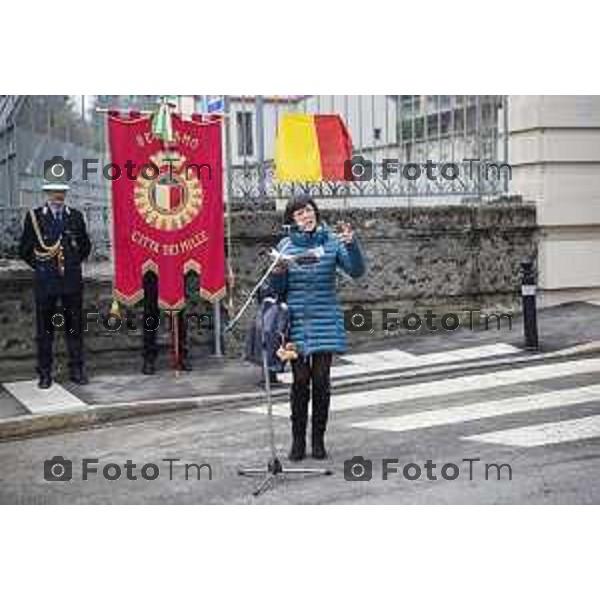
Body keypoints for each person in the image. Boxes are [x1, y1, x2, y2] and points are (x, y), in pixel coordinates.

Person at [270, 195, 366, 461]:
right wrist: (277, 273)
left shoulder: (332, 242)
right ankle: (298, 440)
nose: (306, 217)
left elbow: (356, 271)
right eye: (299, 214)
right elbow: (277, 292)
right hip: (296, 322)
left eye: (309, 211)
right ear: (292, 221)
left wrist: (352, 244)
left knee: (321, 380)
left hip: (326, 318)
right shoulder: (285, 246)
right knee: (300, 380)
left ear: (316, 214)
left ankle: (318, 440)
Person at [19, 181, 92, 389]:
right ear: (46, 194)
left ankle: (76, 369)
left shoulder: (75, 216)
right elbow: (24, 249)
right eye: (53, 192)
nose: (57, 196)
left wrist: (72, 263)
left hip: (71, 280)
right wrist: (42, 267)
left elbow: (85, 245)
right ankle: (44, 373)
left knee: (75, 327)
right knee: (44, 330)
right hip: (46, 281)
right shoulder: (35, 217)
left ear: (66, 193)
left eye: (61, 192)